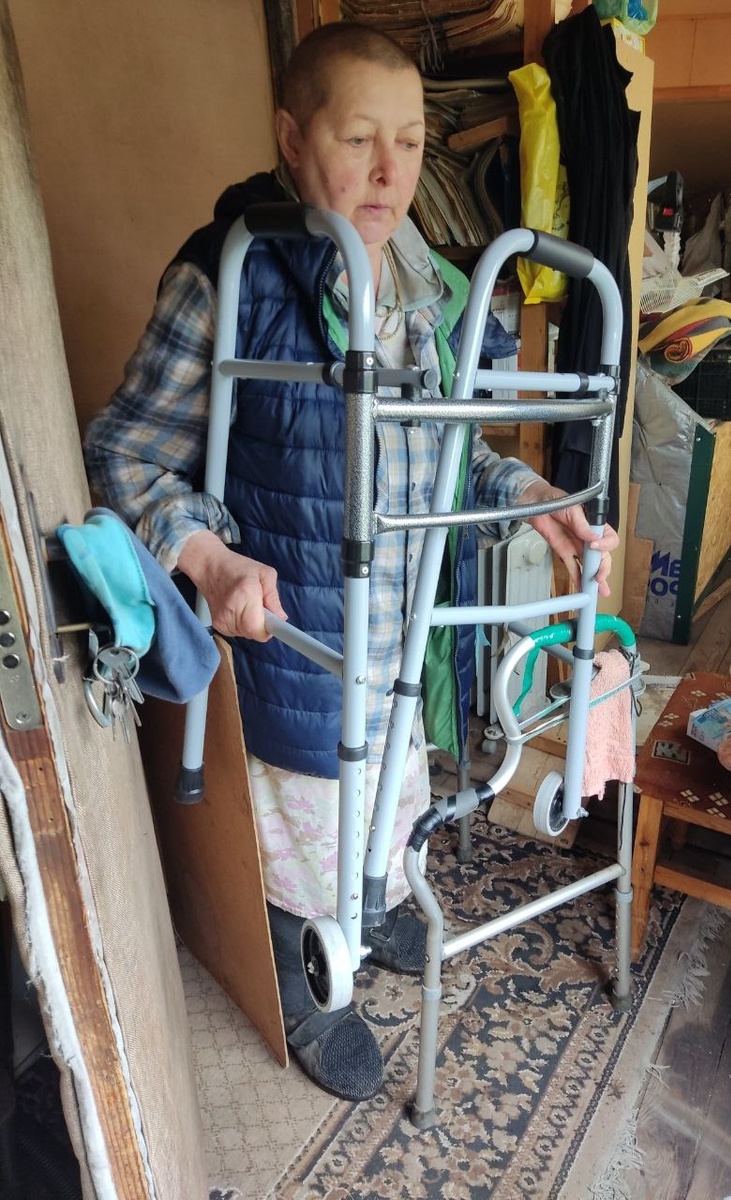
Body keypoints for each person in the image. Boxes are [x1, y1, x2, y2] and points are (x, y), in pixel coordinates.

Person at [84, 22, 619, 1102]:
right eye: (358, 138)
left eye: (411, 143)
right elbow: (122, 452)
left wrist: (530, 500)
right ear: (292, 138)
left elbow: (449, 454)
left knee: (382, 805)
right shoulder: (231, 277)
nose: (390, 172)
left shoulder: (428, 290)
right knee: (298, 841)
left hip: (396, 640)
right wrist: (207, 561)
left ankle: (368, 905)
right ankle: (298, 972)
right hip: (294, 647)